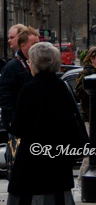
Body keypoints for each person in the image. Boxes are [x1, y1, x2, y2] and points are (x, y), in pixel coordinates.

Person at [7, 42, 76, 204]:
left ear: (36, 64)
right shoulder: (62, 87)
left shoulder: (29, 89)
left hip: (31, 159)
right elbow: (70, 123)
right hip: (58, 158)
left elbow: (18, 127)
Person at [0, 26, 39, 178]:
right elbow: (5, 96)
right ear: (23, 46)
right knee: (18, 164)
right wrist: (10, 121)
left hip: (33, 123)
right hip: (18, 124)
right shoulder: (12, 67)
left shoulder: (35, 64)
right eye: (33, 43)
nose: (37, 47)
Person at [74, 46, 96, 185]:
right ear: (92, 59)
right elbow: (78, 93)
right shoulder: (87, 73)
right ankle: (82, 182)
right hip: (89, 118)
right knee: (90, 154)